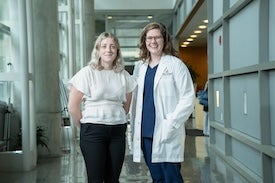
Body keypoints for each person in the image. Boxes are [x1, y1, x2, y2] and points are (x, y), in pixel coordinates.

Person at [68, 32, 136, 183]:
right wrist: (85, 126)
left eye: (112, 46)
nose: (108, 50)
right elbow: (73, 106)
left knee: (113, 179)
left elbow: (126, 106)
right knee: (96, 179)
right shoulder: (87, 73)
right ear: (98, 50)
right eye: (104, 46)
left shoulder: (124, 75)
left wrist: (113, 117)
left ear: (117, 51)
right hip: (93, 131)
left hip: (117, 131)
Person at [131, 22, 195, 182]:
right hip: (145, 131)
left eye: (157, 37)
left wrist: (172, 122)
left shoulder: (175, 65)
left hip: (167, 130)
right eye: (149, 38)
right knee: (157, 178)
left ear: (164, 40)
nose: (153, 41)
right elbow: (133, 96)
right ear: (144, 41)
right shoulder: (140, 67)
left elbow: (187, 98)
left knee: (171, 178)